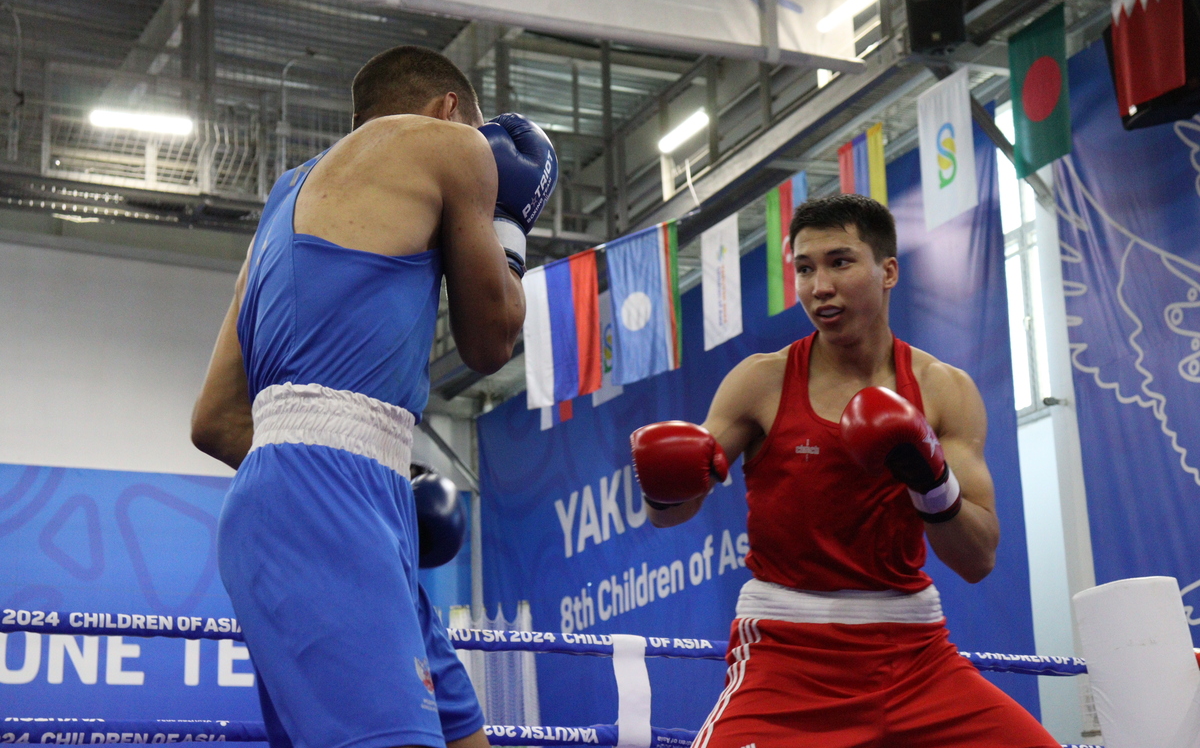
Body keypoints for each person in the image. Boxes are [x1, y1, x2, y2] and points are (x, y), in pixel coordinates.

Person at [191, 45, 557, 748]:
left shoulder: (285, 199)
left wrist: (361, 462)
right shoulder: (452, 145)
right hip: (332, 502)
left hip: (310, 498)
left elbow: (213, 421)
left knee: (464, 739)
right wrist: (508, 222)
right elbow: (490, 342)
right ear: (449, 110)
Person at [630, 194, 1058, 747]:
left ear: (888, 271)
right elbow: (671, 514)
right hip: (787, 654)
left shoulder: (942, 389)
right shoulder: (761, 382)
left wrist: (932, 483)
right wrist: (664, 488)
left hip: (915, 656)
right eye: (804, 268)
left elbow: (978, 559)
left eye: (839, 262)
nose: (818, 286)